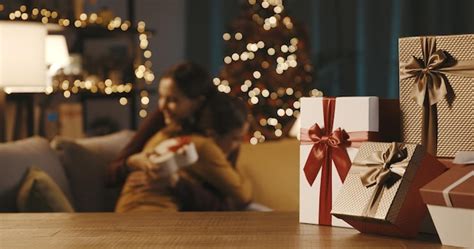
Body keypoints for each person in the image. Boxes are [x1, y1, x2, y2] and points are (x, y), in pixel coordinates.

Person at [106, 62, 248, 211]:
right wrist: (131, 163)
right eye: (161, 97)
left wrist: (177, 184)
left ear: (197, 102)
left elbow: (229, 200)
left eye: (173, 100)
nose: (162, 106)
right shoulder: (163, 121)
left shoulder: (222, 134)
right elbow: (110, 175)